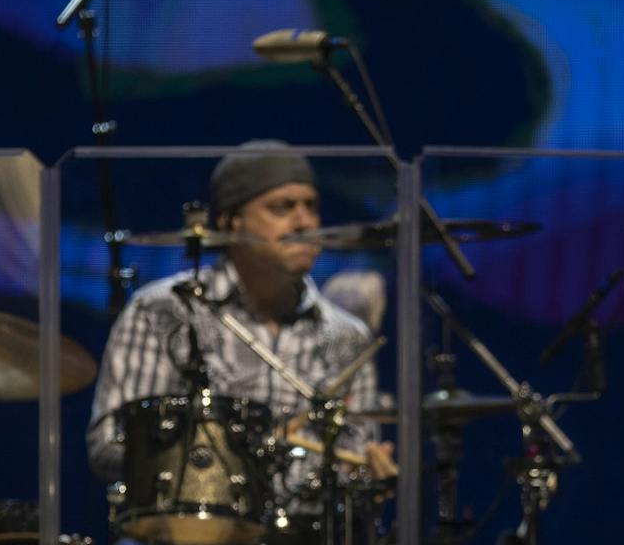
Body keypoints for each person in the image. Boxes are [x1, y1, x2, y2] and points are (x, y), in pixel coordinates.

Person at [84, 140, 398, 501]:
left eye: (311, 207)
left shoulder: (348, 336)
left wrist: (364, 474)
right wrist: (213, 469)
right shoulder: (163, 311)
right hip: (183, 539)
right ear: (230, 220)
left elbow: (352, 461)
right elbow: (109, 444)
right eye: (282, 208)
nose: (304, 222)